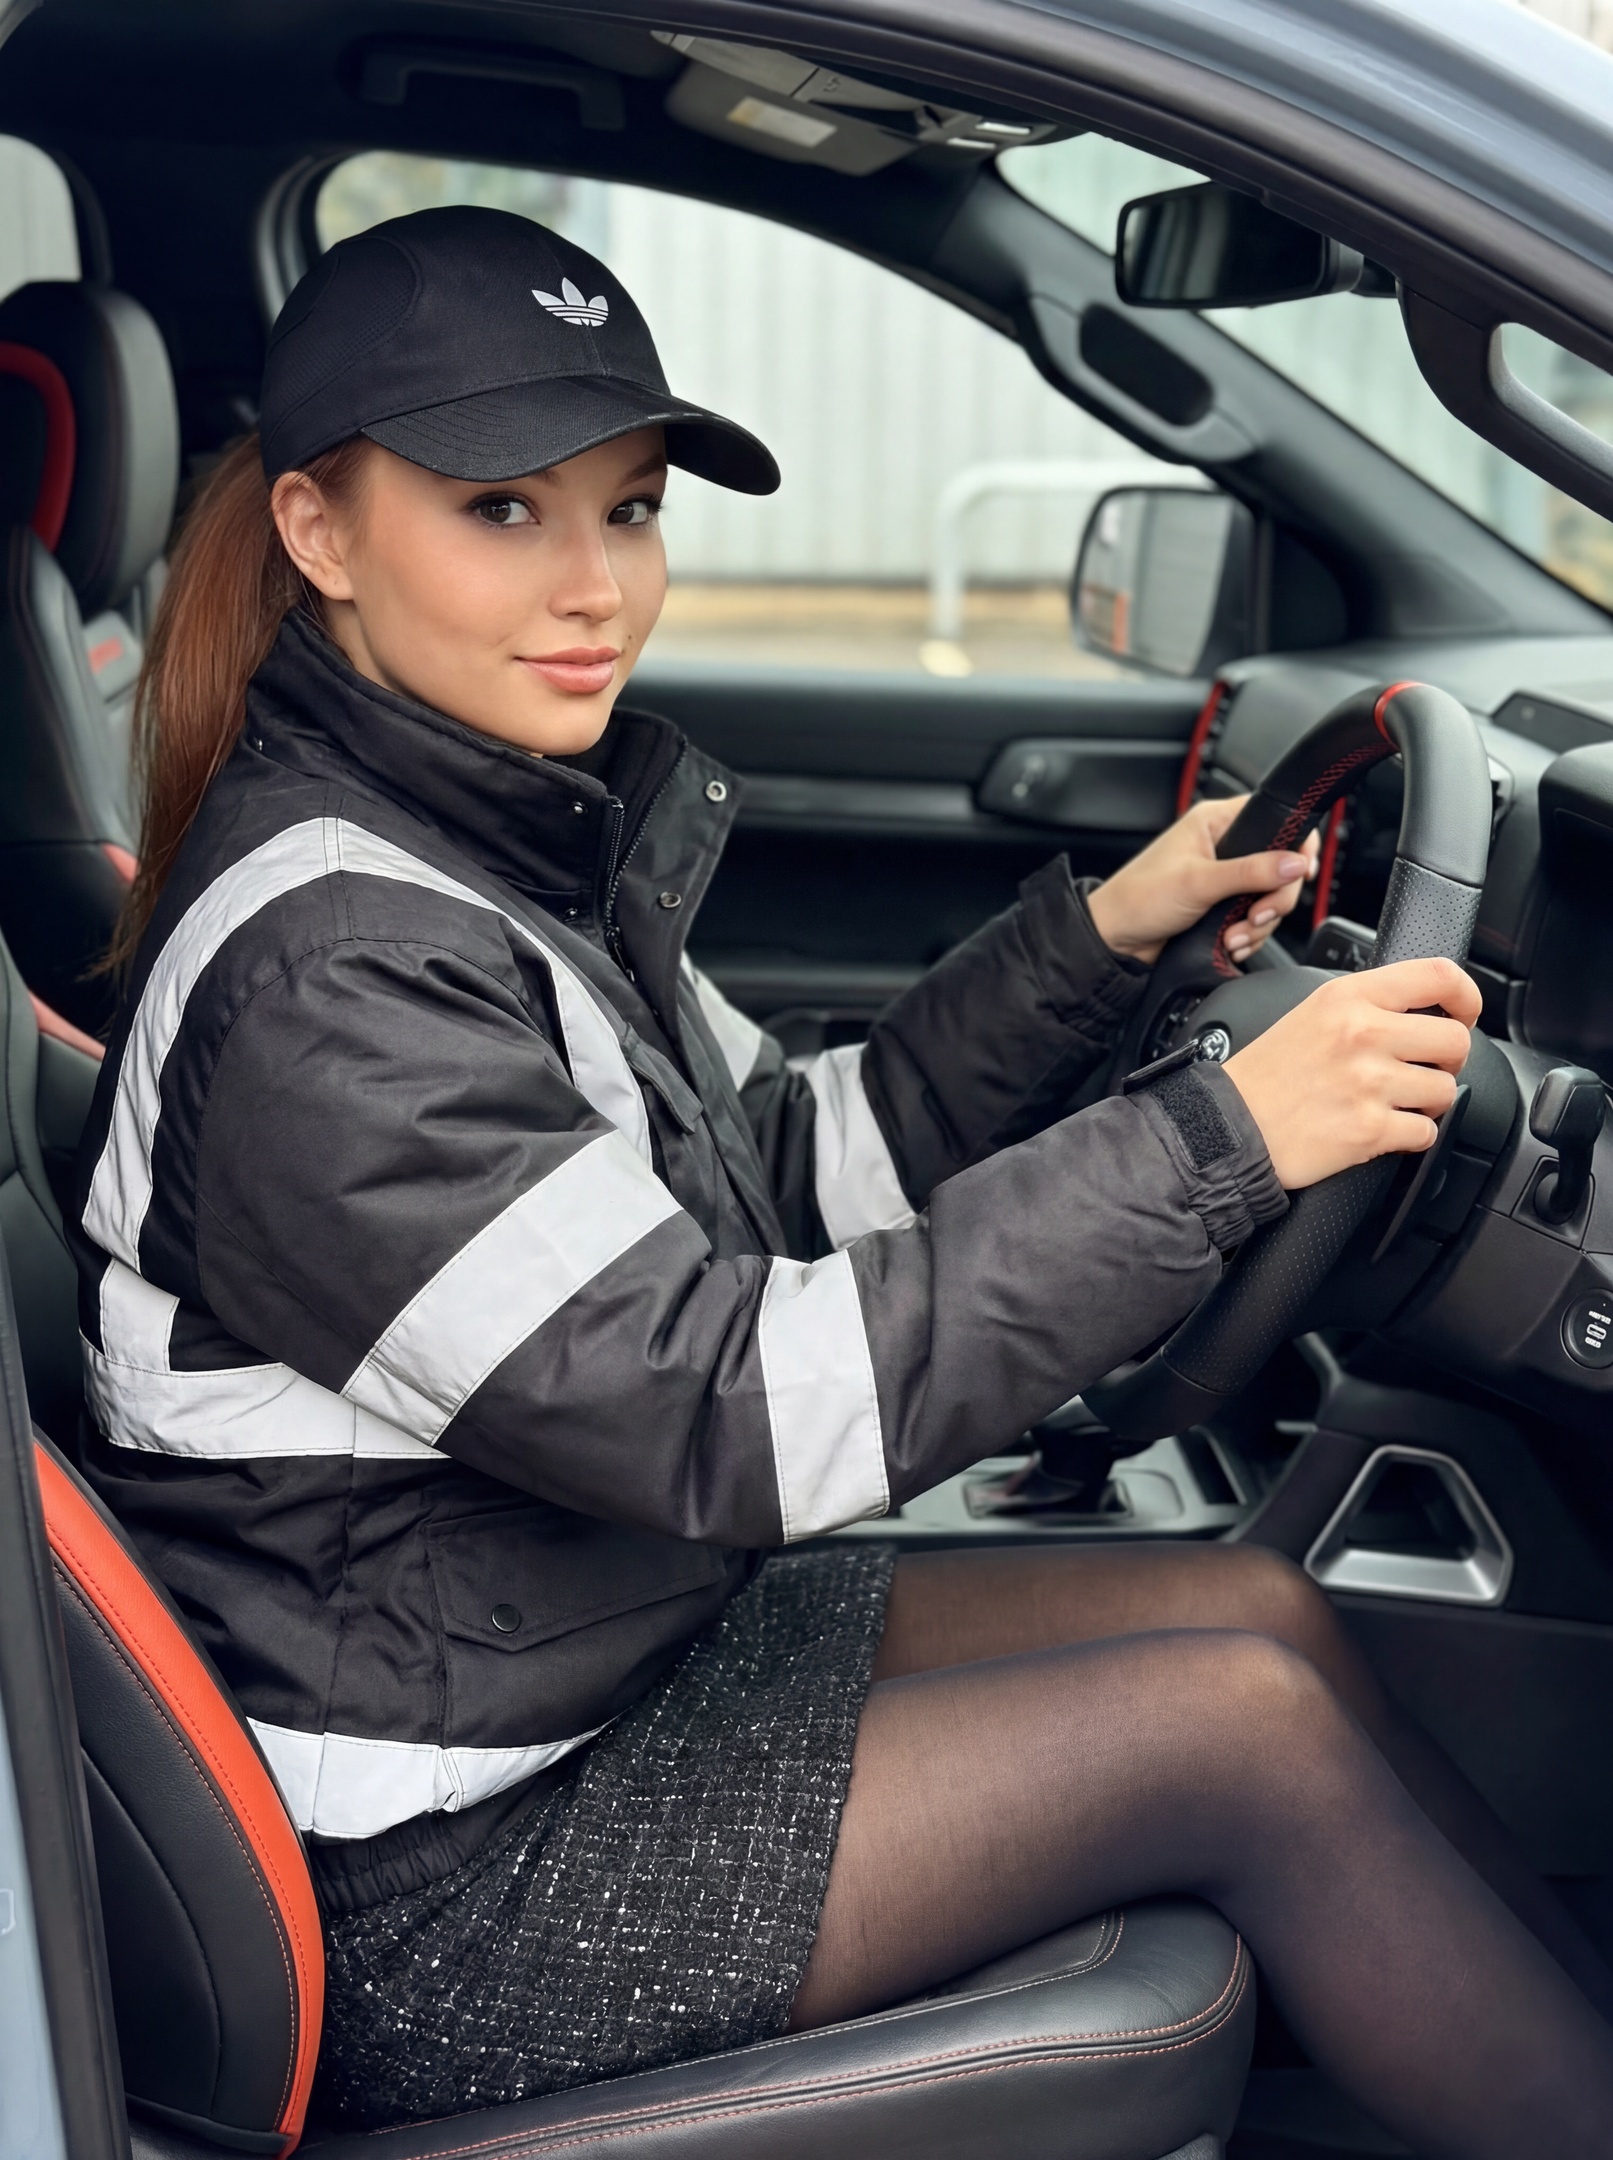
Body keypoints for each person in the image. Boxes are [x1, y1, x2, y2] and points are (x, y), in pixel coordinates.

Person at [72, 207, 1613, 2157]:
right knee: (1250, 1736)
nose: (594, 588)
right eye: (502, 512)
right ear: (318, 530)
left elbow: (798, 1166)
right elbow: (727, 1411)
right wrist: (1226, 1144)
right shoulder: (335, 974)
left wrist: (1105, 943)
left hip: (590, 1656)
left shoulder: (486, 847)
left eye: (630, 511)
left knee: (1264, 1615)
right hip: (434, 1879)